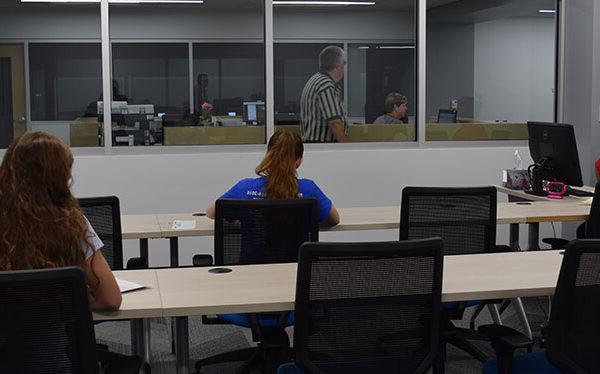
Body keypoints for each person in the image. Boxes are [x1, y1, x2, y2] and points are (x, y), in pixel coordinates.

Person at [0, 132, 121, 311]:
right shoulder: (72, 225)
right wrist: (72, 299)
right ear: (58, 178)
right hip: (56, 336)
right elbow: (110, 299)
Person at [207, 130, 340, 226]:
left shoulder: (244, 188)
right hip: (294, 264)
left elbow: (212, 213)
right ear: (298, 161)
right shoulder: (309, 190)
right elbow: (334, 219)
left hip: (251, 265)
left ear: (267, 154)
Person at [300, 45, 347, 143]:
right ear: (338, 66)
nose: (345, 67)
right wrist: (345, 149)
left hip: (314, 144)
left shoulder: (315, 79)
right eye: (344, 63)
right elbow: (334, 122)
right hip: (322, 145)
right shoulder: (325, 85)